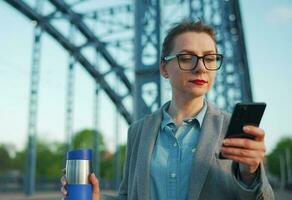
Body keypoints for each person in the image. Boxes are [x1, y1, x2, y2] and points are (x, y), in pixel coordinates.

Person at [61, 19, 274, 200]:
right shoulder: (138, 131)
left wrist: (251, 174)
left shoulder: (232, 129)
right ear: (164, 68)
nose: (201, 67)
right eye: (186, 58)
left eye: (209, 58)